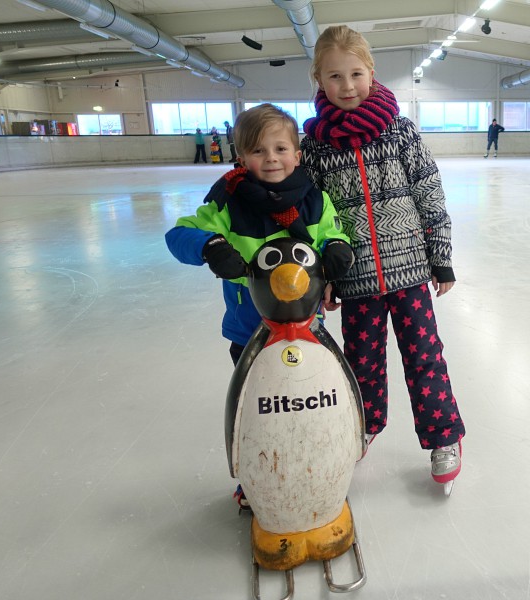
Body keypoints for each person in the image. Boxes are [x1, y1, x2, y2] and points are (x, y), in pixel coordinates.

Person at [300, 25, 465, 490]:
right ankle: (365, 424)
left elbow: (428, 190)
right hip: (354, 279)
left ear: (371, 72)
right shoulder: (315, 146)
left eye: (356, 73)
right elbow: (314, 218)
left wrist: (441, 254)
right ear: (319, 80)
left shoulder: (399, 131)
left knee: (424, 357)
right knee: (361, 361)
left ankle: (443, 437)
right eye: (335, 76)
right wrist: (324, 276)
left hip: (410, 270)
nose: (347, 86)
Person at [165, 103, 354, 508]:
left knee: (309, 397)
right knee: (259, 406)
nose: (271, 158)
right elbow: (178, 235)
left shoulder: (314, 200)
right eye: (259, 151)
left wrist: (337, 249)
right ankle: (255, 472)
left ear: (297, 154)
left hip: (307, 327)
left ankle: (317, 460)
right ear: (241, 157)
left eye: (281, 148)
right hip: (250, 329)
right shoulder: (228, 203)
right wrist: (209, 245)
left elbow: (332, 234)